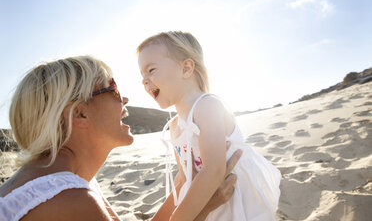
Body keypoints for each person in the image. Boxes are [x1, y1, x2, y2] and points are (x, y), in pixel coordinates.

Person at [0, 55, 242, 221]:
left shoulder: (61, 183)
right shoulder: (69, 198)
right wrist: (205, 208)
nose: (124, 99)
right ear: (80, 113)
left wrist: (181, 182)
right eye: (112, 89)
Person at [137, 31, 282, 221]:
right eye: (142, 75)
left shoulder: (207, 106)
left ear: (186, 68)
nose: (144, 80)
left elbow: (214, 170)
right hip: (203, 201)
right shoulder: (174, 126)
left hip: (235, 199)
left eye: (151, 70)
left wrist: (177, 219)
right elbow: (183, 178)